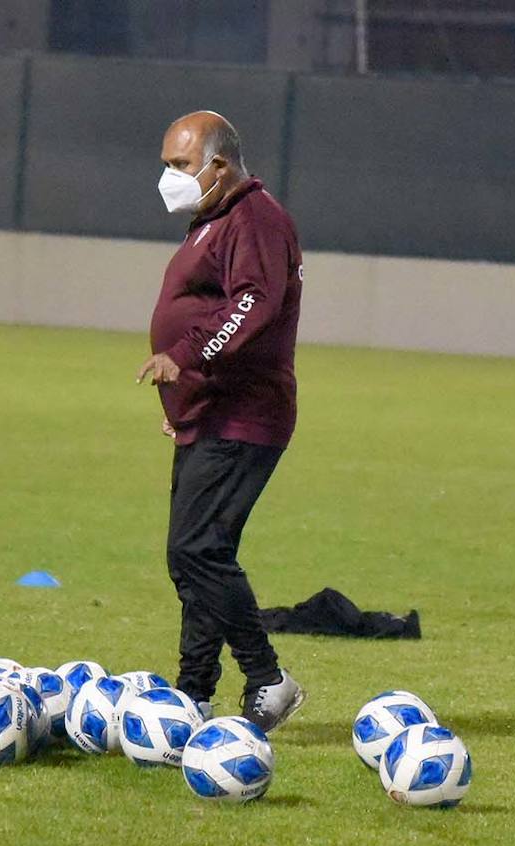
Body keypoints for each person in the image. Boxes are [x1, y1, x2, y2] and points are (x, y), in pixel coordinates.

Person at [136, 111, 306, 732]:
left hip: (245, 414)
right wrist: (186, 401)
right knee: (198, 556)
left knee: (196, 549)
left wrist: (184, 358)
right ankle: (194, 692)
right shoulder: (213, 221)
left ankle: (268, 678)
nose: (168, 177)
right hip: (214, 412)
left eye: (179, 165)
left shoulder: (254, 217)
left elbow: (254, 303)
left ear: (219, 165)